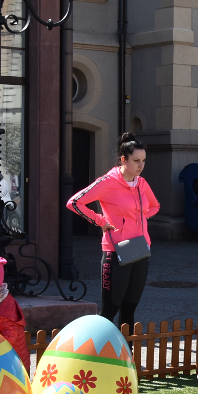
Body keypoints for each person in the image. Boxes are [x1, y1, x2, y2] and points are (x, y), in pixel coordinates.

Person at [68, 133, 161, 330]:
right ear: (123, 160)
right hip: (116, 251)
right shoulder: (107, 182)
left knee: (130, 309)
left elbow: (155, 206)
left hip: (140, 249)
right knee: (109, 311)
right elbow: (74, 203)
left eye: (143, 161)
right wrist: (100, 221)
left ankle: (125, 355)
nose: (141, 165)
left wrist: (140, 218)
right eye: (136, 161)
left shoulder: (141, 183)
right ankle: (99, 356)